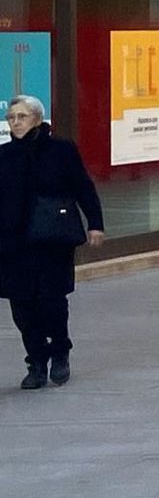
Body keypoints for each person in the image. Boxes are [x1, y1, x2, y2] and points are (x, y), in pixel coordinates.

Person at [0, 95, 105, 389]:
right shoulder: (5, 155)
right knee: (22, 307)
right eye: (11, 118)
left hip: (52, 240)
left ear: (37, 119)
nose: (15, 122)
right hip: (13, 244)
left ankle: (60, 351)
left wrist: (95, 223)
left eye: (21, 117)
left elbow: (83, 187)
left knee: (51, 302)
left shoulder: (61, 150)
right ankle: (36, 361)